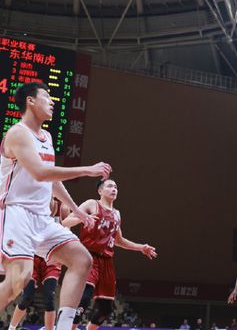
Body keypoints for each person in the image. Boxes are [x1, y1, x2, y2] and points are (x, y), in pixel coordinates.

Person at [0, 82, 111, 330]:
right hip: (16, 212)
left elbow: (52, 181)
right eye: (47, 96)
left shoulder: (47, 137)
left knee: (82, 259)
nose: (52, 102)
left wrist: (77, 209)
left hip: (42, 218)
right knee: (18, 281)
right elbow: (40, 173)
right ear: (30, 101)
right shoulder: (17, 133)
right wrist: (87, 169)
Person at [62, 179, 157, 330]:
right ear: (100, 191)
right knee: (84, 298)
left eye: (116, 187)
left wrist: (140, 247)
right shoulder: (91, 204)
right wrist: (83, 217)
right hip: (88, 257)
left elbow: (119, 240)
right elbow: (66, 222)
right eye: (110, 186)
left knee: (105, 309)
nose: (114, 189)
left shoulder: (117, 214)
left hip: (107, 262)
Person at [8, 198, 70, 330]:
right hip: (32, 257)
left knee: (49, 297)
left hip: (52, 257)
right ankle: (12, 328)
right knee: (27, 297)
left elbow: (67, 233)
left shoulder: (62, 207)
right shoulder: (30, 202)